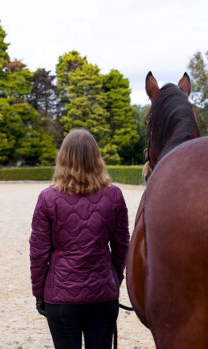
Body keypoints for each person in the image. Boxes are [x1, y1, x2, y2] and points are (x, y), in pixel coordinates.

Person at [29, 129, 130, 349]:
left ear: (62, 158)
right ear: (97, 158)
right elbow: (122, 247)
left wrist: (39, 293)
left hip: (61, 297)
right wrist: (113, 280)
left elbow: (38, 254)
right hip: (103, 294)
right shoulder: (114, 196)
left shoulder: (47, 198)